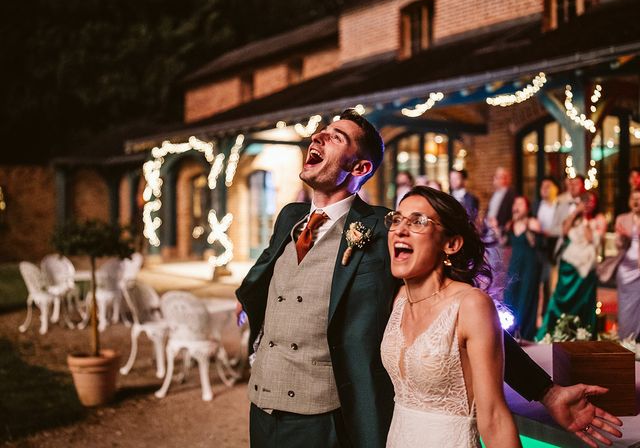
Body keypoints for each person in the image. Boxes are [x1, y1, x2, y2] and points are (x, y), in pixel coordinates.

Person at [236, 109, 622, 448]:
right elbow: (263, 273)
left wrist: (547, 390)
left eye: (335, 137)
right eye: (321, 132)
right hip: (261, 407)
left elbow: (456, 315)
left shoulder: (384, 231)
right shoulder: (289, 218)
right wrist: (246, 300)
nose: (318, 136)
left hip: (324, 416)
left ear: (360, 169)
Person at [381, 186, 520, 447]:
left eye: (418, 222)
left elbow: (494, 417)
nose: (399, 229)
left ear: (451, 244)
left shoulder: (471, 305)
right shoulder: (399, 299)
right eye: (397, 219)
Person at [538, 191, 607, 339]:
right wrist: (577, 212)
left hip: (586, 268)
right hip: (569, 265)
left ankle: (583, 333)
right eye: (585, 201)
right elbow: (564, 231)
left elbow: (591, 239)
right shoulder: (574, 216)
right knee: (560, 298)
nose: (588, 204)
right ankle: (557, 331)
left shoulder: (598, 219)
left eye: (591, 201)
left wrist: (586, 220)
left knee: (585, 302)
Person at [504, 196, 541, 341]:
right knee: (511, 294)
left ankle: (525, 331)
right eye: (515, 203)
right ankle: (511, 329)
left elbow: (535, 242)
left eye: (520, 204)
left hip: (529, 263)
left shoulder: (532, 222)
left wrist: (527, 227)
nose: (516, 206)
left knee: (526, 294)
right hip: (515, 262)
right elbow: (504, 243)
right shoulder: (511, 224)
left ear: (527, 208)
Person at [614, 190, 640, 340]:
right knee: (626, 308)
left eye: (639, 199)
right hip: (626, 269)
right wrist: (622, 236)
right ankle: (626, 339)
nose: (636, 202)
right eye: (634, 198)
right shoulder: (622, 218)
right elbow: (617, 245)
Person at [534, 177, 560, 316]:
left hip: (553, 252)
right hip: (538, 251)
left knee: (552, 286)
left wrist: (547, 232)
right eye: (542, 186)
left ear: (556, 188)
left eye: (548, 186)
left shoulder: (559, 205)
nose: (544, 189)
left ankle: (551, 316)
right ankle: (541, 317)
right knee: (540, 287)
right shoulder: (537, 205)